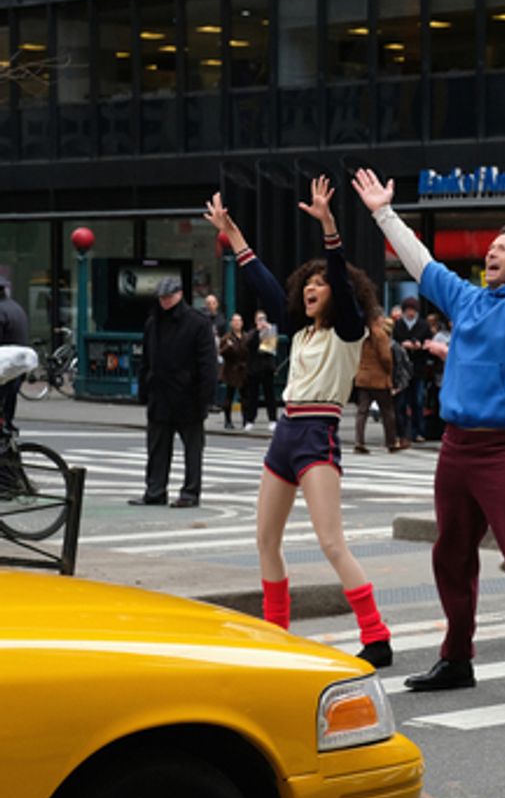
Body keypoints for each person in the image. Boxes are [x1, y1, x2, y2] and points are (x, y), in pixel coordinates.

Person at [353, 149, 505, 713]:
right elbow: (421, 263)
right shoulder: (467, 299)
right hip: (456, 447)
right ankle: (457, 658)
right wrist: (383, 213)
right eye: (492, 247)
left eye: (504, 249)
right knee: (451, 555)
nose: (492, 252)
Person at [205, 178, 394, 667]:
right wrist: (233, 233)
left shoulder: (348, 330)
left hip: (317, 434)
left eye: (320, 283)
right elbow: (262, 281)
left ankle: (377, 635)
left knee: (331, 542)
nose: (311, 287)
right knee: (265, 540)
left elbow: (340, 278)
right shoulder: (302, 331)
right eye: (307, 283)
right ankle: (276, 633)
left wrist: (329, 226)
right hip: (286, 433)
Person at [129, 276, 218, 509]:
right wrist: (144, 389)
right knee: (157, 448)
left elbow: (207, 364)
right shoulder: (153, 322)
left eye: (169, 297)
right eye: (162, 297)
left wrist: (205, 399)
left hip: (188, 396)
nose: (165, 301)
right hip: (160, 395)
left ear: (180, 295)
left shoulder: (198, 323)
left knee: (192, 449)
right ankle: (155, 490)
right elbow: (146, 360)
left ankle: (190, 492)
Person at [353, 313, 399, 454]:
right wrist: (389, 371)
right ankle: (391, 441)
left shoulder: (362, 333)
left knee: (362, 411)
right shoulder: (380, 335)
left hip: (363, 376)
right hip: (378, 378)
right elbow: (385, 357)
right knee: (387, 411)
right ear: (377, 319)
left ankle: (359, 441)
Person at [393, 296, 432, 444]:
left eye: (413, 310)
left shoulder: (423, 325)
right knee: (401, 402)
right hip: (402, 369)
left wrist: (419, 345)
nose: (410, 313)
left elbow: (429, 343)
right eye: (408, 310)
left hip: (418, 367)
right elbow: (394, 343)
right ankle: (403, 432)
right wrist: (403, 345)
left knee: (418, 401)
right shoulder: (398, 325)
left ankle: (418, 432)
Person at [0, 278, 29, 432]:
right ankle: (7, 426)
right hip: (17, 366)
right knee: (9, 400)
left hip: (5, 365)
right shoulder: (16, 307)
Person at [242, 309, 279, 428]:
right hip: (254, 368)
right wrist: (257, 331)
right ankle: (250, 420)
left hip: (267, 368)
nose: (262, 322)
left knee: (270, 395)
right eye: (259, 319)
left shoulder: (270, 331)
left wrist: (268, 332)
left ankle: (273, 419)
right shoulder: (252, 333)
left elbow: (271, 349)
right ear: (255, 321)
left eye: (263, 319)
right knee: (253, 395)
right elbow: (248, 344)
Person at [218, 312, 249, 430]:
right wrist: (228, 347)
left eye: (239, 321)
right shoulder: (227, 338)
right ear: (231, 323)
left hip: (243, 371)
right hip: (231, 371)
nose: (237, 323)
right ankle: (228, 421)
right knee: (229, 396)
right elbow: (221, 352)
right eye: (235, 321)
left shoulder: (246, 337)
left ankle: (246, 420)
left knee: (245, 398)